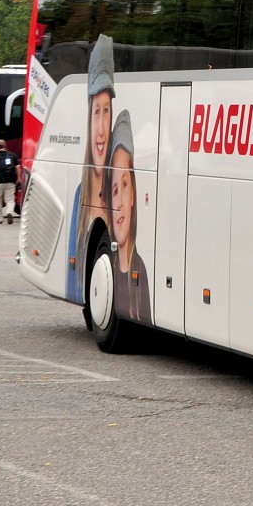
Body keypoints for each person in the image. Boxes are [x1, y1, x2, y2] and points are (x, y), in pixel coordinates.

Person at [67, 33, 115, 303]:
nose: (100, 128)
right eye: (96, 111)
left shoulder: (118, 188)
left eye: (106, 111)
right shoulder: (79, 198)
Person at [108, 110, 151, 324]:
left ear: (133, 193)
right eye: (114, 190)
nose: (120, 203)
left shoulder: (140, 268)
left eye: (124, 185)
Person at [0, 139, 21, 225]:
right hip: (11, 181)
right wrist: (18, 178)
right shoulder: (12, 156)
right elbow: (18, 168)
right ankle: (9, 212)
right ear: (5, 146)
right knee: (10, 199)